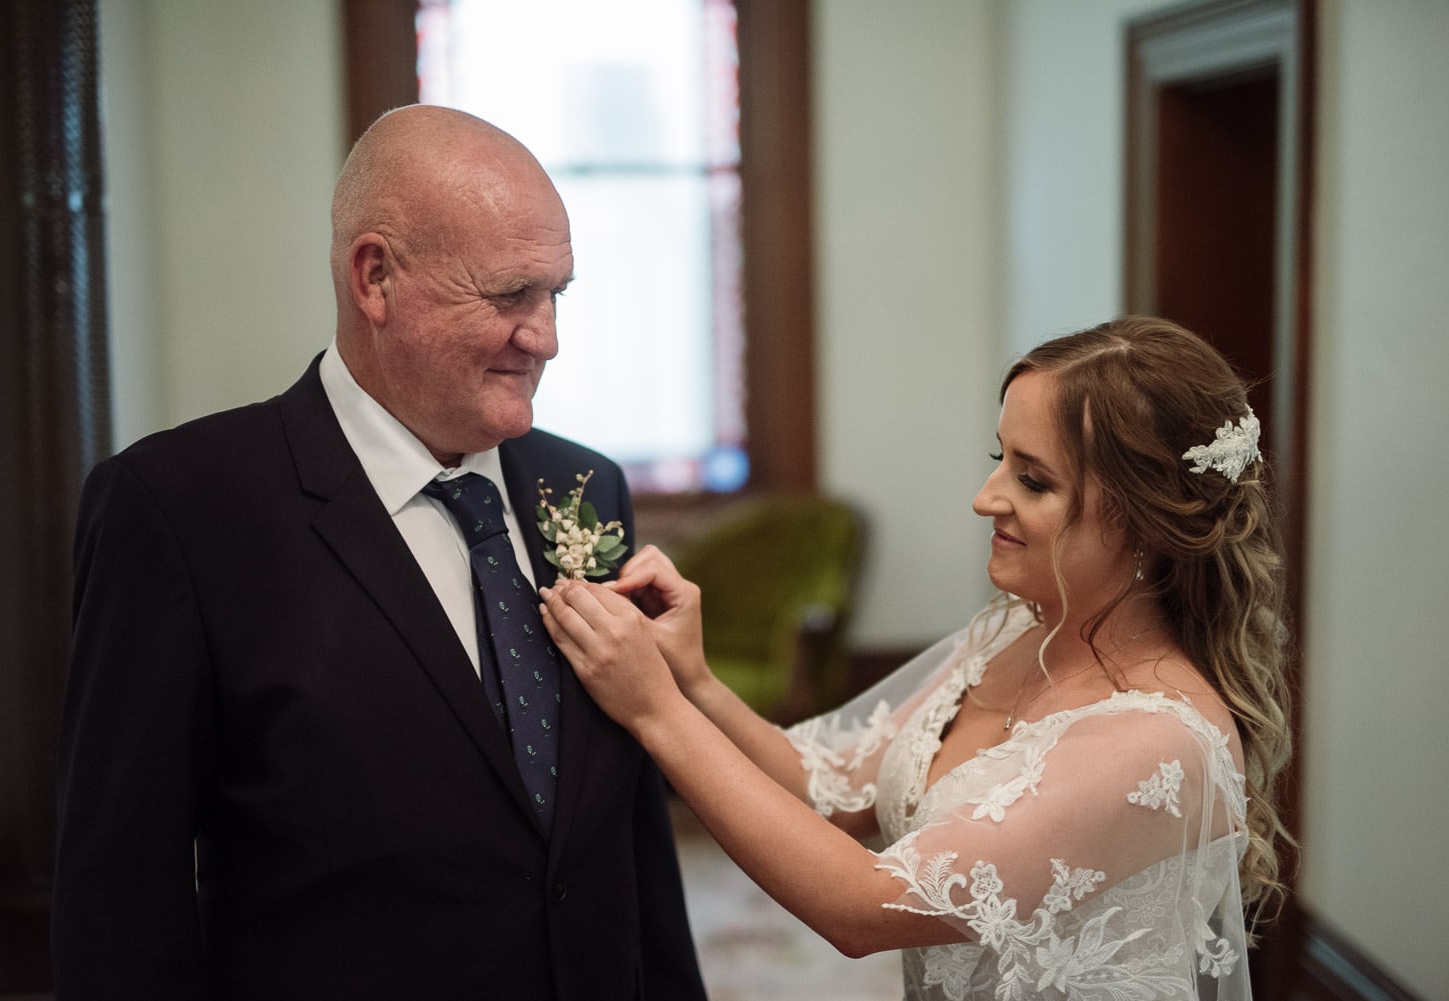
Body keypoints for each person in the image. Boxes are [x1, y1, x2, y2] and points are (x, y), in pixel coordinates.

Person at [52, 106, 707, 1000]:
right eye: (510, 293)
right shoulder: (179, 509)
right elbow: (120, 896)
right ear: (375, 276)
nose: (545, 335)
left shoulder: (583, 487)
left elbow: (629, 840)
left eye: (557, 293)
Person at [541, 316, 1292, 1000]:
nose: (985, 497)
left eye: (1033, 479)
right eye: (1001, 458)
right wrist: (694, 678)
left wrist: (653, 709)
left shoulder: (1156, 741)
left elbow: (863, 906)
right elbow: (823, 786)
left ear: (1146, 521)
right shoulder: (1007, 637)